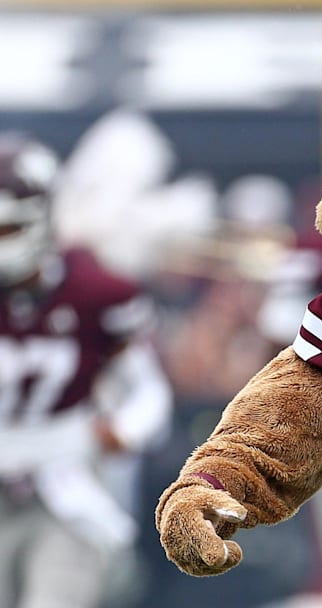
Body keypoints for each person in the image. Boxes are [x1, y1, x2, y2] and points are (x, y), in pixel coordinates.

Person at [0, 132, 173, 608]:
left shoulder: (95, 292)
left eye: (6, 229)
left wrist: (123, 431)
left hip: (62, 485)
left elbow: (148, 389)